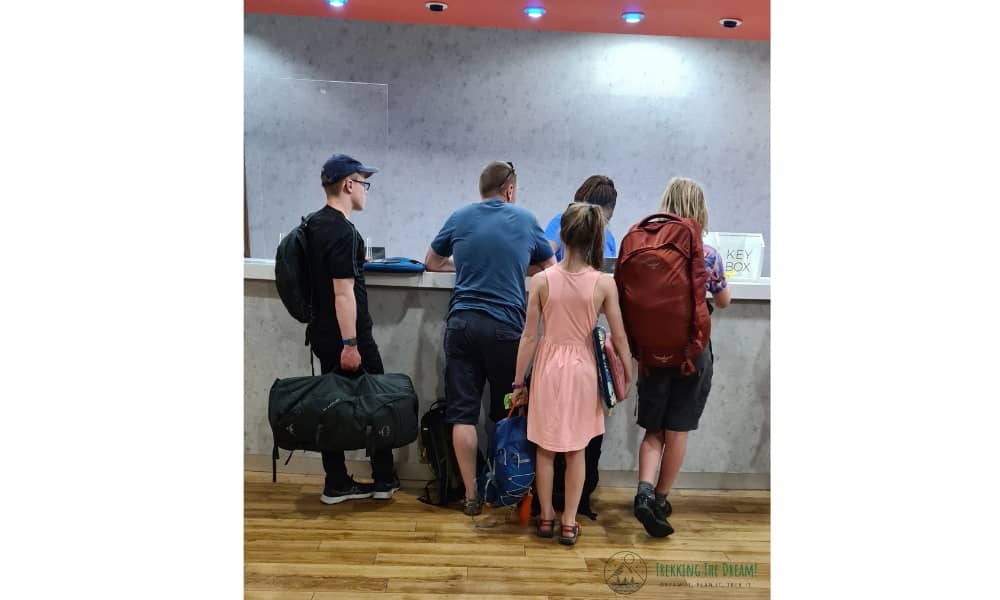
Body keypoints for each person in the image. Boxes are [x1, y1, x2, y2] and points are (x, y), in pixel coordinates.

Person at [424, 160, 556, 516]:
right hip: (506, 331)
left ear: (482, 189)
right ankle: (504, 490)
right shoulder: (526, 220)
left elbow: (431, 263)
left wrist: (463, 266)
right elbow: (550, 269)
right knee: (506, 414)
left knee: (462, 415)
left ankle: (470, 496)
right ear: (510, 190)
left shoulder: (459, 216)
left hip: (462, 325)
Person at [510, 203, 633, 545]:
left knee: (545, 449)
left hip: (548, 367)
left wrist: (519, 382)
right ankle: (568, 522)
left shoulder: (541, 280)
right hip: (583, 370)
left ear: (561, 235)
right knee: (576, 449)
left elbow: (529, 336)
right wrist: (627, 367)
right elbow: (619, 335)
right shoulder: (604, 283)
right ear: (596, 237)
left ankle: (546, 517)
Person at [633, 177, 731, 537]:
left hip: (653, 353)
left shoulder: (650, 254)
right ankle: (659, 499)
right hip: (693, 352)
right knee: (677, 432)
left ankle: (642, 493)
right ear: (700, 210)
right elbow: (723, 301)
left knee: (653, 429)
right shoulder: (707, 255)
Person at [305, 153, 399, 505]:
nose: (365, 190)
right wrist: (350, 344)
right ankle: (384, 479)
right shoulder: (342, 231)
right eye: (364, 182)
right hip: (346, 338)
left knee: (332, 404)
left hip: (321, 333)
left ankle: (337, 480)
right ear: (348, 184)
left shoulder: (313, 224)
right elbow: (342, 292)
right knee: (376, 402)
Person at [543, 175, 618, 260]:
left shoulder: (608, 237)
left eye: (604, 222)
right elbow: (544, 258)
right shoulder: (561, 222)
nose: (600, 228)